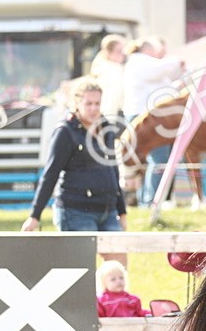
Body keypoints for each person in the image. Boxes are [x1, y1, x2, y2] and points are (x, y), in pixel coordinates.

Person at [21, 78, 127, 234]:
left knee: (118, 258)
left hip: (107, 209)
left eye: (97, 104)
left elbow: (113, 171)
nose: (94, 108)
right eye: (88, 104)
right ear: (76, 103)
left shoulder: (107, 130)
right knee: (82, 258)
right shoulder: (65, 132)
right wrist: (35, 215)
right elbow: (50, 174)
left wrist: (122, 211)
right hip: (76, 210)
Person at [122, 35, 185, 204]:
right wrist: (178, 61)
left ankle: (148, 200)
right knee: (159, 160)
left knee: (153, 161)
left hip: (145, 116)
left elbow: (160, 88)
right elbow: (161, 69)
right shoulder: (140, 61)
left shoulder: (139, 65)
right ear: (148, 50)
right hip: (147, 118)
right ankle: (152, 200)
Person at [90, 34, 128, 122]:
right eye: (119, 51)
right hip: (113, 118)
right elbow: (111, 101)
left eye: (124, 50)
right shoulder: (112, 71)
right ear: (108, 52)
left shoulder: (104, 67)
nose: (123, 54)